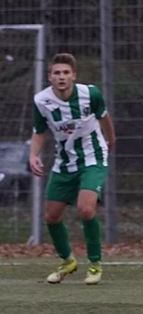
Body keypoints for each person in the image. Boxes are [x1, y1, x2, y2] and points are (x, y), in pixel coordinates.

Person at [29, 53, 115, 286]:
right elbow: (39, 131)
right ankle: (67, 261)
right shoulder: (41, 101)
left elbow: (104, 117)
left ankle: (95, 263)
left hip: (93, 157)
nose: (61, 77)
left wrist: (111, 139)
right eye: (57, 73)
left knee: (86, 209)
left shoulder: (91, 94)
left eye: (66, 72)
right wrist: (33, 155)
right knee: (51, 216)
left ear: (74, 76)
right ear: (50, 77)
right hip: (65, 162)